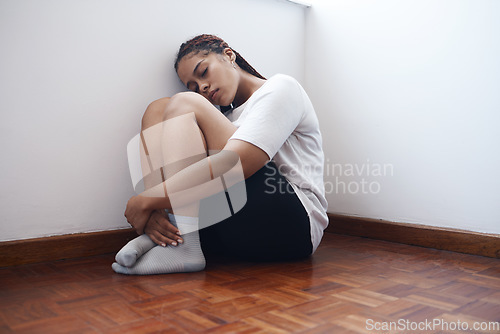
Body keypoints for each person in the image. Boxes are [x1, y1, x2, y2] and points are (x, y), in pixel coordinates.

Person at [112, 34, 328, 275]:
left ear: (228, 55)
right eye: (193, 86)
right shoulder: (224, 119)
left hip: (290, 226)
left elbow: (237, 165)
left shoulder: (281, 88)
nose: (201, 87)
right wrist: (153, 209)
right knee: (158, 108)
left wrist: (145, 199)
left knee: (185, 104)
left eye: (203, 72)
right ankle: (166, 233)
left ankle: (184, 248)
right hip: (232, 230)